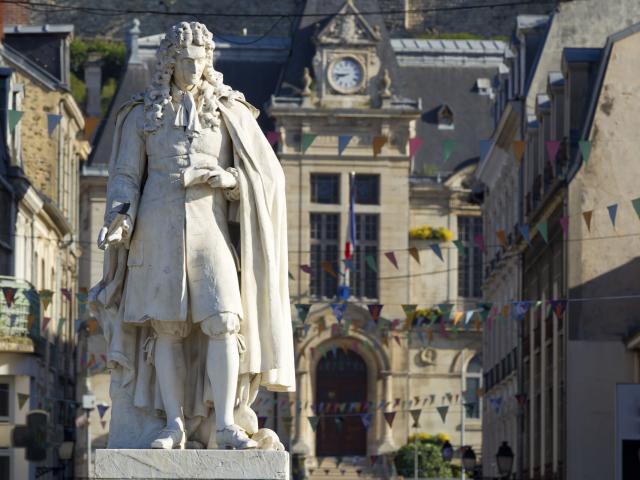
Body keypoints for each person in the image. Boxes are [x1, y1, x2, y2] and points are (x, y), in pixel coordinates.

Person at [91, 21, 295, 450]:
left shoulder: (230, 111)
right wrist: (119, 216)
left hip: (212, 228)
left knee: (223, 321)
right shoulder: (140, 114)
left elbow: (268, 176)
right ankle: (173, 424)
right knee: (167, 328)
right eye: (184, 62)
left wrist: (227, 179)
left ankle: (224, 423)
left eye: (199, 63)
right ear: (169, 62)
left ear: (208, 63)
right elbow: (125, 176)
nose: (192, 69)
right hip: (156, 228)